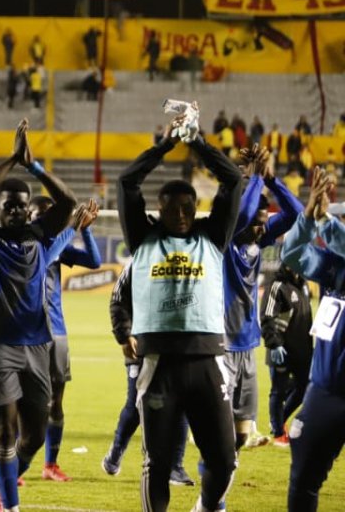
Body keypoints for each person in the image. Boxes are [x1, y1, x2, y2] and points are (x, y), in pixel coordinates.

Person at [119, 111, 243, 512]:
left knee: (224, 460)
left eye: (189, 208)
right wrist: (167, 144)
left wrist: (197, 141)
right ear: (159, 210)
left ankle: (205, 507)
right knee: (156, 464)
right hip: (159, 364)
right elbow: (127, 182)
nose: (182, 215)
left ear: (197, 207)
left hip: (208, 361)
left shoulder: (213, 236)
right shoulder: (143, 237)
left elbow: (233, 180)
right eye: (173, 209)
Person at [0, 119, 77, 512]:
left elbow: (68, 203)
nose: (14, 209)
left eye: (20, 204)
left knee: (33, 436)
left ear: (28, 210)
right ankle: (8, 504)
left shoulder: (39, 236)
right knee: (4, 432)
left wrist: (34, 166)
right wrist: (12, 160)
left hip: (38, 347)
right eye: (8, 205)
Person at [222, 146, 301, 451]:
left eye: (264, 222)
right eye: (258, 222)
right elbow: (243, 214)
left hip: (247, 339)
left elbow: (296, 214)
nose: (262, 228)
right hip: (222, 340)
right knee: (219, 426)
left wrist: (270, 180)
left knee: (241, 432)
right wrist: (254, 179)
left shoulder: (258, 238)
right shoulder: (226, 239)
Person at [279, 167, 345, 510]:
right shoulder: (336, 268)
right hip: (327, 390)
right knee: (303, 477)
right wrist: (307, 218)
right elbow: (291, 256)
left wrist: (326, 223)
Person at [103, 263, 196, 486]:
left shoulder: (184, 259)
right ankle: (116, 452)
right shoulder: (137, 261)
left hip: (176, 343)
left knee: (181, 402)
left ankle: (176, 466)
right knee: (136, 405)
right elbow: (117, 299)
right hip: (141, 342)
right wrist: (124, 335)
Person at [33, 198, 102, 482]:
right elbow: (46, 258)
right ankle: (10, 463)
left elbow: (94, 262)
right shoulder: (27, 244)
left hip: (57, 332)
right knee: (21, 401)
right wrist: (72, 228)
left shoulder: (58, 244)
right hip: (27, 334)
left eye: (49, 214)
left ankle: (50, 464)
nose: (44, 219)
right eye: (38, 214)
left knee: (56, 400)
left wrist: (85, 229)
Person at [260, 263, 312, 445]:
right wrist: (274, 344)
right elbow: (267, 317)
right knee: (278, 391)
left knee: (304, 387)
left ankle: (279, 419)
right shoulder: (276, 286)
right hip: (281, 350)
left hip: (303, 350)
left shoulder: (304, 285)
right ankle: (278, 433)